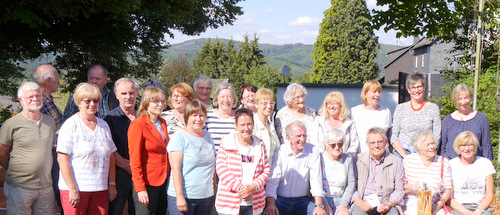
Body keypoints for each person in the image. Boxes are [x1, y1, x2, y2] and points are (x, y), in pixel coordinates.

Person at [57, 83, 117, 214]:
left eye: (95, 101)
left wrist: (111, 185)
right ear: (78, 102)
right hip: (76, 189)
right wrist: (72, 188)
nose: (92, 104)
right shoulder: (70, 125)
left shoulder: (104, 125)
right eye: (87, 101)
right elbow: (62, 158)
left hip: (100, 188)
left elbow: (111, 156)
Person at [0, 82, 57, 214]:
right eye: (30, 97)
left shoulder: (50, 122)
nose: (35, 99)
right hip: (19, 187)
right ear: (21, 100)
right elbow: (2, 152)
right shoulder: (11, 124)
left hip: (45, 187)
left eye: (38, 95)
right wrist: (12, 169)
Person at [216, 108, 271, 215]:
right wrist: (241, 189)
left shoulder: (260, 144)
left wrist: (253, 187)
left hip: (254, 203)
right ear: (236, 125)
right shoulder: (226, 143)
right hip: (229, 204)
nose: (246, 128)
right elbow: (221, 168)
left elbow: (266, 170)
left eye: (249, 124)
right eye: (242, 125)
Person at [264, 121, 326, 215]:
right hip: (280, 199)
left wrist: (318, 206)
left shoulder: (312, 150)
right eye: (298, 136)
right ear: (288, 137)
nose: (302, 139)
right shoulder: (281, 152)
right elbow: (273, 181)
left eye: (304, 135)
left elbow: (316, 180)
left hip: (302, 200)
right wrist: (271, 204)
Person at [167, 100, 216, 215]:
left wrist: (214, 190)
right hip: (184, 197)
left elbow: (212, 166)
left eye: (201, 115)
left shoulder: (208, 136)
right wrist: (179, 196)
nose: (198, 119)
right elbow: (175, 169)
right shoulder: (179, 137)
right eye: (194, 115)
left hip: (205, 197)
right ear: (187, 117)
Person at [128, 87, 170, 215]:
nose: (160, 104)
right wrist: (140, 188)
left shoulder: (162, 123)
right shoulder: (138, 124)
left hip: (163, 181)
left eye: (162, 101)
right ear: (146, 102)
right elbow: (135, 160)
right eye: (155, 101)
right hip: (147, 183)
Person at [103, 78, 139, 215]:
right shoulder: (109, 119)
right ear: (117, 95)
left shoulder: (143, 117)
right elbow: (109, 149)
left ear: (136, 94)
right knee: (115, 211)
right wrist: (126, 165)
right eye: (124, 93)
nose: (128, 97)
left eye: (131, 93)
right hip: (118, 174)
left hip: (140, 174)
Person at [34, 65, 65, 213]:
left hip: (55, 155)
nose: (59, 82)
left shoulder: (48, 100)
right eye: (57, 80)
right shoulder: (38, 103)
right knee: (59, 195)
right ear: (48, 81)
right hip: (50, 156)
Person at [352, 127, 404, 215]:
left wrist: (389, 204)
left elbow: (399, 190)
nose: (376, 146)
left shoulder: (396, 162)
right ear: (367, 144)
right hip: (363, 202)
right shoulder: (357, 160)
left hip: (386, 203)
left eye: (380, 142)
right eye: (372, 142)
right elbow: (351, 187)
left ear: (386, 142)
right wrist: (361, 203)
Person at [391, 73, 441, 158]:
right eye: (413, 87)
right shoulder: (400, 108)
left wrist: (427, 153)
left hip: (425, 154)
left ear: (424, 87)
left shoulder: (433, 108)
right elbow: (394, 137)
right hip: (402, 153)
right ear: (408, 89)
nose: (416, 90)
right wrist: (406, 157)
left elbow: (437, 135)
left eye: (419, 87)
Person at [402, 131, 452, 215]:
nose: (432, 147)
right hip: (413, 203)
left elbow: (447, 190)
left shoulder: (443, 161)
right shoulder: (408, 160)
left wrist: (437, 206)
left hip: (435, 204)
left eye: (433, 143)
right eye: (427, 144)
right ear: (418, 150)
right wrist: (411, 187)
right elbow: (401, 186)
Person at [440, 83, 493, 160]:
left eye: (466, 98)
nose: (463, 102)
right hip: (452, 166)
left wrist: (486, 165)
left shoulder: (481, 118)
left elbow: (486, 146)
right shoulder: (447, 121)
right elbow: (443, 147)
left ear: (471, 98)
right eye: (459, 99)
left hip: (475, 165)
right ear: (455, 100)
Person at [449, 131, 494, 215]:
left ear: (475, 146)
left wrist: (479, 210)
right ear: (458, 148)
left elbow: (490, 195)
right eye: (463, 145)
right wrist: (465, 212)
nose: (467, 149)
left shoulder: (486, 163)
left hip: (481, 207)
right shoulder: (451, 165)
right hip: (459, 208)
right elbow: (449, 198)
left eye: (470, 145)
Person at [320, 129, 355, 215]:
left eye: (339, 144)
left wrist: (344, 204)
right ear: (326, 145)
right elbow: (315, 183)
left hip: (341, 199)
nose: (337, 147)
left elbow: (351, 183)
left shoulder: (347, 159)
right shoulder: (319, 159)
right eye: (333, 145)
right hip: (323, 199)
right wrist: (324, 204)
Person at [351, 80, 392, 153]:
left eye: (379, 92)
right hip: (362, 156)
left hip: (382, 156)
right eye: (374, 91)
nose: (377, 94)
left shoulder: (385, 112)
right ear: (365, 93)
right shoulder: (355, 112)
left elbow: (387, 135)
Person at [205, 82, 237, 152]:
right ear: (216, 99)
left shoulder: (239, 117)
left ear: (233, 99)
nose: (226, 100)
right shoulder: (207, 116)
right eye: (222, 96)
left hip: (233, 160)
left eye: (229, 96)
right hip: (211, 161)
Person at [252, 88, 280, 162]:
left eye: (271, 103)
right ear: (256, 104)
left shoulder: (271, 124)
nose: (269, 106)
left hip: (272, 170)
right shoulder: (252, 124)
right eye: (265, 103)